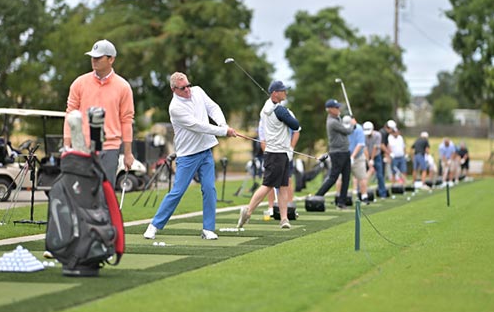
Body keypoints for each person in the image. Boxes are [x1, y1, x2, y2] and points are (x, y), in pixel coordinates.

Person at [144, 72, 237, 240]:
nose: (188, 90)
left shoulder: (198, 91)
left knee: (209, 189)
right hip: (187, 155)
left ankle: (208, 229)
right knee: (178, 191)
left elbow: (213, 108)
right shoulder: (175, 108)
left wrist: (223, 124)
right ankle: (154, 225)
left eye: (188, 85)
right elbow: (199, 126)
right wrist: (224, 131)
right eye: (183, 88)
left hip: (206, 151)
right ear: (174, 89)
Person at [64, 39, 135, 184]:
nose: (94, 60)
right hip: (83, 147)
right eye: (92, 57)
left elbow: (126, 120)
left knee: (106, 193)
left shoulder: (123, 87)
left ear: (111, 59)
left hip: (110, 148)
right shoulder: (79, 83)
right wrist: (67, 145)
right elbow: (70, 115)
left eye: (98, 57)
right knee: (83, 192)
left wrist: (128, 153)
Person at [237, 81, 300, 229]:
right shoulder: (279, 110)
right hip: (276, 153)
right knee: (268, 185)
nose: (286, 93)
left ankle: (284, 219)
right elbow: (295, 125)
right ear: (275, 93)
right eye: (283, 91)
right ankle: (248, 210)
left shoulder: (267, 107)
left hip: (280, 152)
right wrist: (287, 113)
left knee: (284, 186)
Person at [312, 99, 355, 209]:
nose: (338, 109)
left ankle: (341, 202)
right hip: (338, 153)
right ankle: (317, 197)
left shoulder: (337, 119)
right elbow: (347, 131)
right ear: (330, 110)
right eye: (336, 108)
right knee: (333, 177)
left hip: (344, 152)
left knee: (346, 177)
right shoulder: (332, 122)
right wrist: (352, 124)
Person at [338, 119, 368, 202]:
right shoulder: (340, 129)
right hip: (344, 156)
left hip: (358, 157)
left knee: (362, 177)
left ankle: (364, 196)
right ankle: (338, 196)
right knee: (340, 178)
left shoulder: (359, 129)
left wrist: (352, 157)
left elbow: (360, 144)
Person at [363, 121, 387, 198]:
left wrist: (372, 159)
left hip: (377, 156)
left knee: (380, 175)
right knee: (363, 175)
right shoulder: (363, 136)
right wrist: (368, 160)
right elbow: (365, 149)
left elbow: (375, 148)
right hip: (366, 157)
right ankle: (363, 192)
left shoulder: (378, 135)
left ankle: (382, 193)